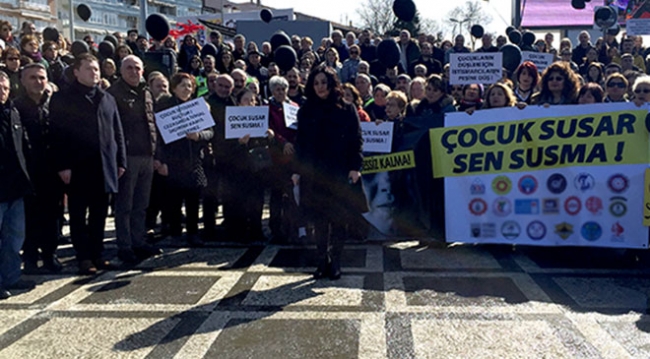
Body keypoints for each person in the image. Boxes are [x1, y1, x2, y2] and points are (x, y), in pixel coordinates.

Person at [49, 53, 127, 275]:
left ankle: (97, 253)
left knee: (99, 213)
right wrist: (62, 165)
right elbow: (57, 134)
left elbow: (117, 131)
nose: (94, 72)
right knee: (78, 213)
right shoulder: (62, 98)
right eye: (89, 69)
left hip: (104, 166)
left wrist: (120, 161)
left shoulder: (107, 98)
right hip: (77, 166)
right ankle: (83, 257)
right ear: (76, 72)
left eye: (96, 69)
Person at [294, 65, 365, 280]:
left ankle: (336, 261)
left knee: (338, 218)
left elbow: (356, 139)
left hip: (339, 171)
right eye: (316, 83)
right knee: (319, 219)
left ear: (332, 84)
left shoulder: (346, 108)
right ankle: (322, 260)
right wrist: (296, 170)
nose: (320, 87)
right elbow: (301, 143)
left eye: (324, 82)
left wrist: (355, 167)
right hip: (314, 172)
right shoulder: (306, 110)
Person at [107, 55, 161, 264]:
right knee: (125, 206)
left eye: (137, 68)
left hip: (148, 155)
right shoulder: (113, 93)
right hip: (128, 156)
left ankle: (139, 242)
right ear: (121, 70)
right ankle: (125, 245)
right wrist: (119, 159)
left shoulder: (146, 92)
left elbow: (153, 122)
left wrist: (157, 154)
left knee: (141, 204)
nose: (133, 72)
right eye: (129, 68)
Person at [15, 64, 63, 274]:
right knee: (29, 216)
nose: (38, 82)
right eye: (32, 78)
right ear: (23, 81)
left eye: (42, 77)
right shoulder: (15, 106)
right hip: (27, 170)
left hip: (52, 169)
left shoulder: (55, 105)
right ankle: (31, 257)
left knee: (52, 214)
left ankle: (50, 254)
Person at [155, 73, 212, 245]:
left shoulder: (198, 108)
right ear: (174, 88)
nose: (187, 89)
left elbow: (210, 132)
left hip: (194, 161)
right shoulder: (165, 107)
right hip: (173, 160)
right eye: (183, 86)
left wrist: (199, 135)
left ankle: (193, 233)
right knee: (174, 200)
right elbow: (158, 137)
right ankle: (175, 232)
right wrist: (161, 160)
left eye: (189, 86)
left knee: (193, 199)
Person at [0, 71, 34, 299]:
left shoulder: (13, 111)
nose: (1, 92)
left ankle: (11, 277)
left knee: (14, 238)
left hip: (15, 186)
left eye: (3, 88)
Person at [202, 74, 235, 240]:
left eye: (227, 87)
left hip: (231, 155)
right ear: (215, 85)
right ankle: (209, 228)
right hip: (211, 154)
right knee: (210, 194)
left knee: (230, 194)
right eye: (221, 85)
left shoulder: (235, 102)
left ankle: (229, 226)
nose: (224, 89)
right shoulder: (205, 102)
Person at [267, 76, 299, 242]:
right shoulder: (267, 107)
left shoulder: (294, 106)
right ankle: (275, 229)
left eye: (283, 89)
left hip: (293, 156)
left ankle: (291, 227)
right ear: (272, 91)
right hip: (277, 156)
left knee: (292, 194)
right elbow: (269, 129)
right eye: (277, 89)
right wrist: (283, 142)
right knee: (277, 194)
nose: (280, 92)